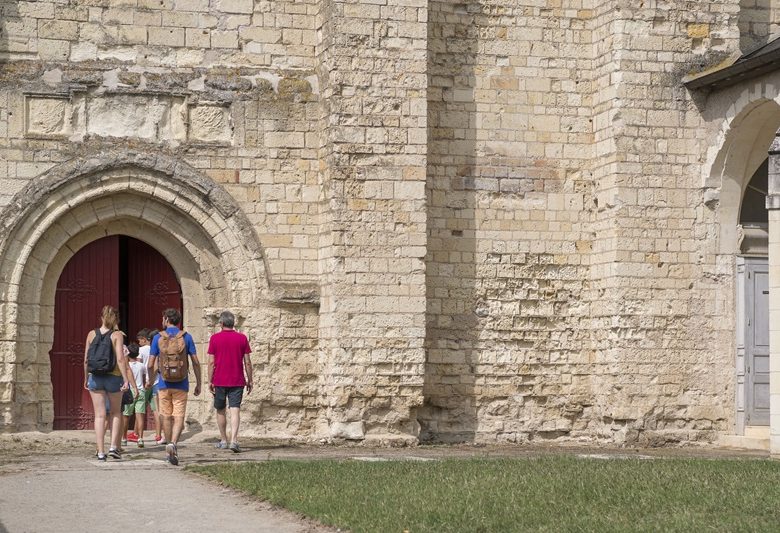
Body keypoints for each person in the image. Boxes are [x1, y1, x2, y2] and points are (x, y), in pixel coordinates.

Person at [146, 309, 201, 466]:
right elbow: (196, 362)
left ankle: (168, 441)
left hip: (163, 384)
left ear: (166, 319)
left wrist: (150, 380)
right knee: (178, 416)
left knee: (165, 415)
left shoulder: (158, 337)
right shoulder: (186, 337)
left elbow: (150, 364)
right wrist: (198, 382)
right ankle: (173, 444)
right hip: (181, 384)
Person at [83, 305, 136, 461]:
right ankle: (113, 447)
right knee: (115, 412)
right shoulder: (117, 335)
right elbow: (120, 358)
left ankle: (100, 451)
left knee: (99, 415)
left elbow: (86, 359)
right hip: (114, 377)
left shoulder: (91, 334)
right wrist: (126, 380)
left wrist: (86, 377)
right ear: (116, 319)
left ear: (101, 317)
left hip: (96, 377)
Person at [208, 310, 253, 453]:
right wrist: (250, 380)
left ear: (221, 323)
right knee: (235, 410)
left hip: (219, 380)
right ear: (233, 323)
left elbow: (210, 362)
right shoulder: (242, 338)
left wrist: (210, 380)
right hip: (237, 380)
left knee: (220, 410)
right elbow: (247, 362)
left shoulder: (215, 339)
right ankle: (234, 440)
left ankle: (223, 440)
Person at [121, 343, 150, 448]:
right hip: (141, 390)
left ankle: (124, 438)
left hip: (129, 391)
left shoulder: (125, 366)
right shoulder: (142, 366)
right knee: (140, 415)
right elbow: (145, 378)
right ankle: (140, 438)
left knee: (126, 416)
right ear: (138, 354)